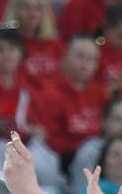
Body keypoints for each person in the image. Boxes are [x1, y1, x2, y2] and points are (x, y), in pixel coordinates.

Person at [37, 35, 113, 163]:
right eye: (80, 56)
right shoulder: (50, 93)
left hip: (95, 155)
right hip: (60, 158)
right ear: (65, 58)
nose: (85, 63)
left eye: (91, 59)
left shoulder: (101, 94)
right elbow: (48, 138)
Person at [2, 0, 64, 82]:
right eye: (26, 7)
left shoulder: (55, 45)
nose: (32, 13)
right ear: (15, 11)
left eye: (38, 8)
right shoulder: (7, 45)